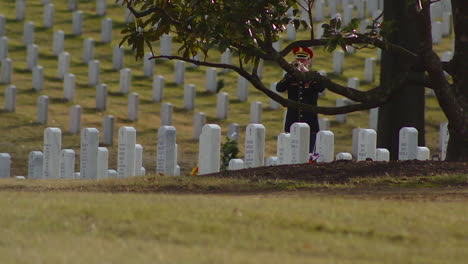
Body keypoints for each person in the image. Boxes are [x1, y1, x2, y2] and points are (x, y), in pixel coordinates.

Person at [276, 46, 325, 153]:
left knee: (309, 152)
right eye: (298, 60)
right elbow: (279, 88)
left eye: (303, 60)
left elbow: (321, 88)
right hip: (293, 119)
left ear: (309, 61)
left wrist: (307, 73)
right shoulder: (290, 77)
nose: (300, 62)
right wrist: (289, 75)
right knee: (291, 153)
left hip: (309, 121)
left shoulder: (315, 76)